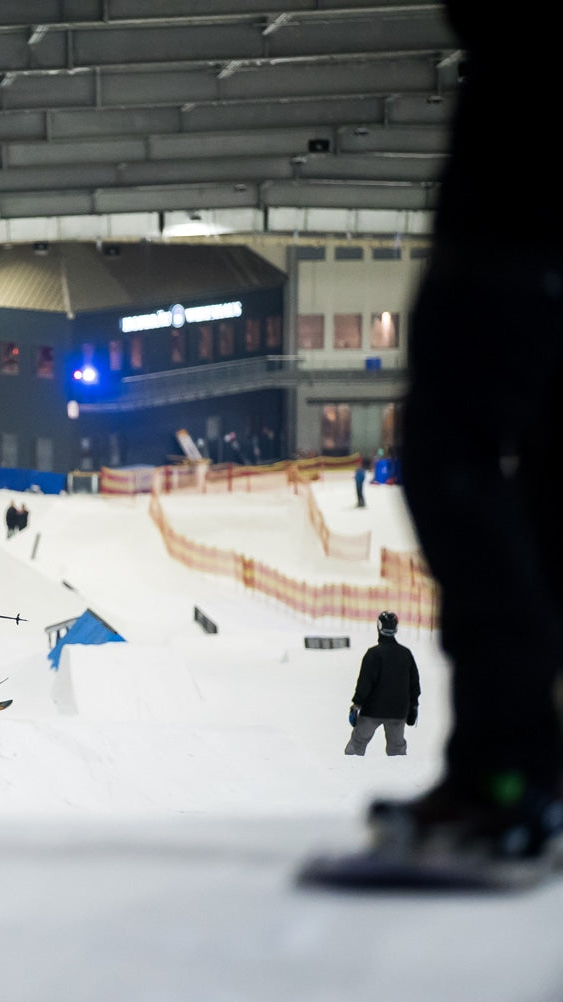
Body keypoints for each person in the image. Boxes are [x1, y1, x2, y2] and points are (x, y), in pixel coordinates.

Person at [356, 0, 563, 867]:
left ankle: (506, 777)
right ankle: (516, 779)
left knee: (456, 460)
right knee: (536, 476)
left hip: (518, 203)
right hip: (523, 200)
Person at [344, 611, 420, 757]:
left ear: (378, 626)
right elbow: (414, 684)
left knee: (356, 745)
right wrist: (413, 706)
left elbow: (365, 683)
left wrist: (356, 704)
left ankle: (351, 772)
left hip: (372, 711)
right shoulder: (405, 654)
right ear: (396, 628)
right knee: (397, 750)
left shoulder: (373, 654)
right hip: (398, 711)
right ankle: (399, 776)